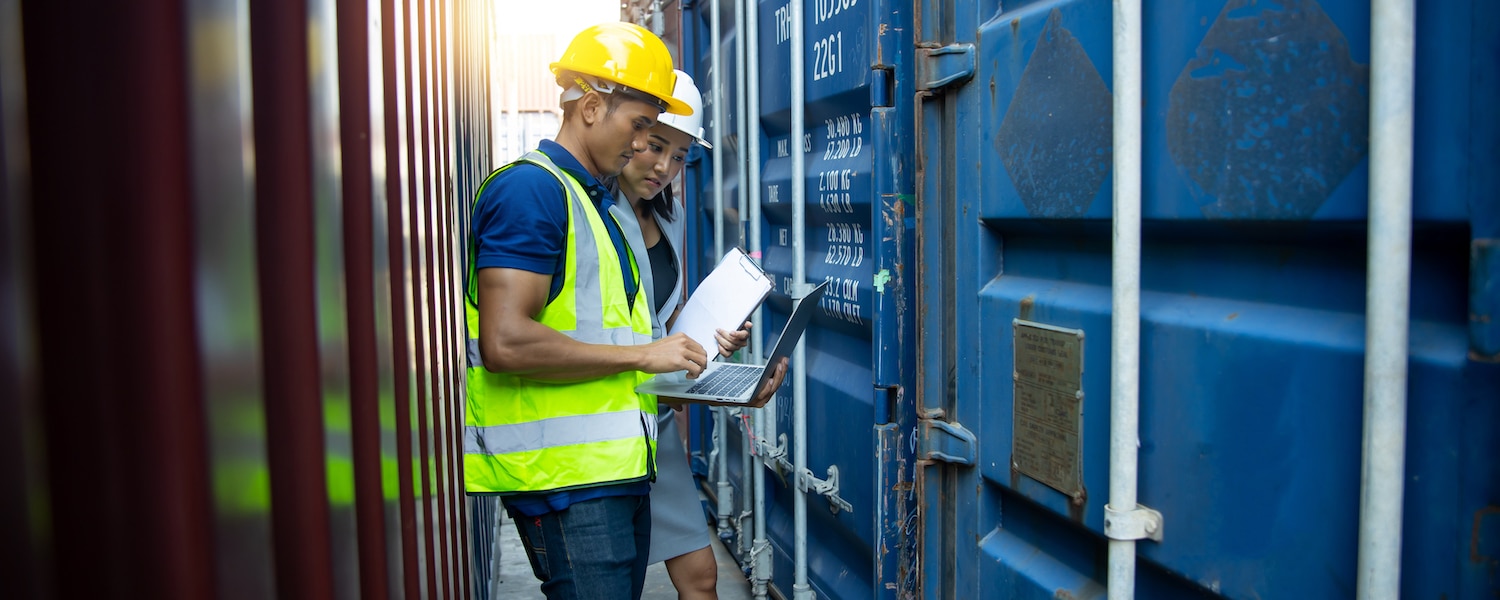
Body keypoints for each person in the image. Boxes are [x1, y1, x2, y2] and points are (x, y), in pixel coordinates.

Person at [462, 23, 783, 600]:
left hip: (617, 466)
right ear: (589, 107)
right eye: (641, 128)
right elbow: (505, 343)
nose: (645, 149)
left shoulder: (595, 207)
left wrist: (721, 377)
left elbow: (625, 345)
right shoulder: (531, 193)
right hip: (567, 483)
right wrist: (646, 352)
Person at [609, 71, 759, 600]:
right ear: (629, 132)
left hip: (654, 420)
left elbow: (659, 326)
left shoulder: (667, 219)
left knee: (700, 575)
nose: (664, 167)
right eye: (655, 146)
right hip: (606, 421)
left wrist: (709, 339)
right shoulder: (592, 214)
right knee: (616, 579)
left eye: (679, 156)